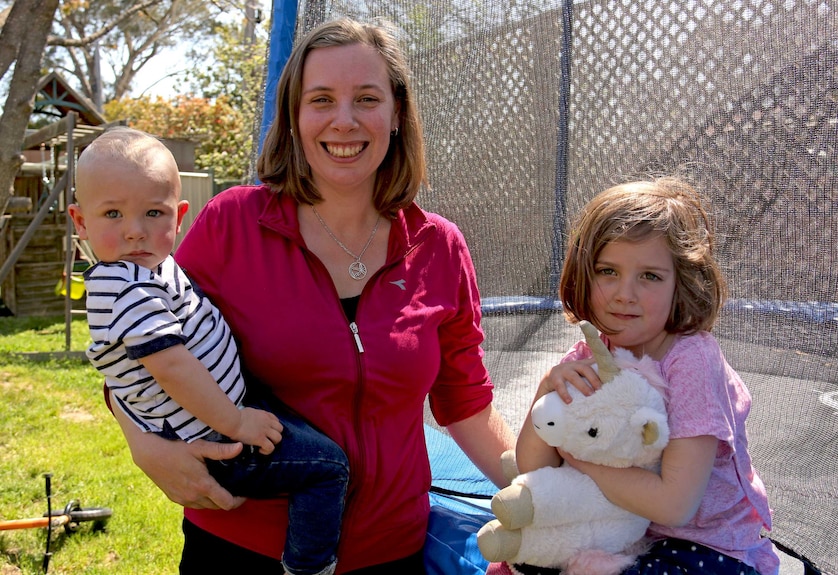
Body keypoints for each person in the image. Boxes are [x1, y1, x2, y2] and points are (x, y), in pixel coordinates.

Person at [105, 18, 516, 575]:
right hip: (241, 546)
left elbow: (466, 404)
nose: (343, 121)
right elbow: (130, 347)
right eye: (321, 99)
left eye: (366, 99)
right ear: (295, 118)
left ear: (396, 114)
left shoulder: (439, 247)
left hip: (390, 552)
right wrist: (147, 449)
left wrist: (544, 500)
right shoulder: (233, 224)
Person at [69, 127, 350, 575]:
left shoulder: (152, 269)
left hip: (224, 415)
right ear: (80, 222)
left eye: (153, 213)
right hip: (218, 439)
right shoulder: (126, 287)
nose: (135, 231)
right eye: (113, 214)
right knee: (327, 467)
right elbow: (173, 368)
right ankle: (309, 567)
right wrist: (236, 421)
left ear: (179, 216)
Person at [503, 177, 780, 575]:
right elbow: (534, 470)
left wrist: (581, 463)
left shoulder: (691, 361)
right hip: (617, 531)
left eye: (649, 276)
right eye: (607, 271)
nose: (624, 293)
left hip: (706, 546)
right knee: (526, 556)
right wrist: (545, 393)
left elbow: (676, 505)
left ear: (680, 284)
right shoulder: (588, 355)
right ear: (583, 275)